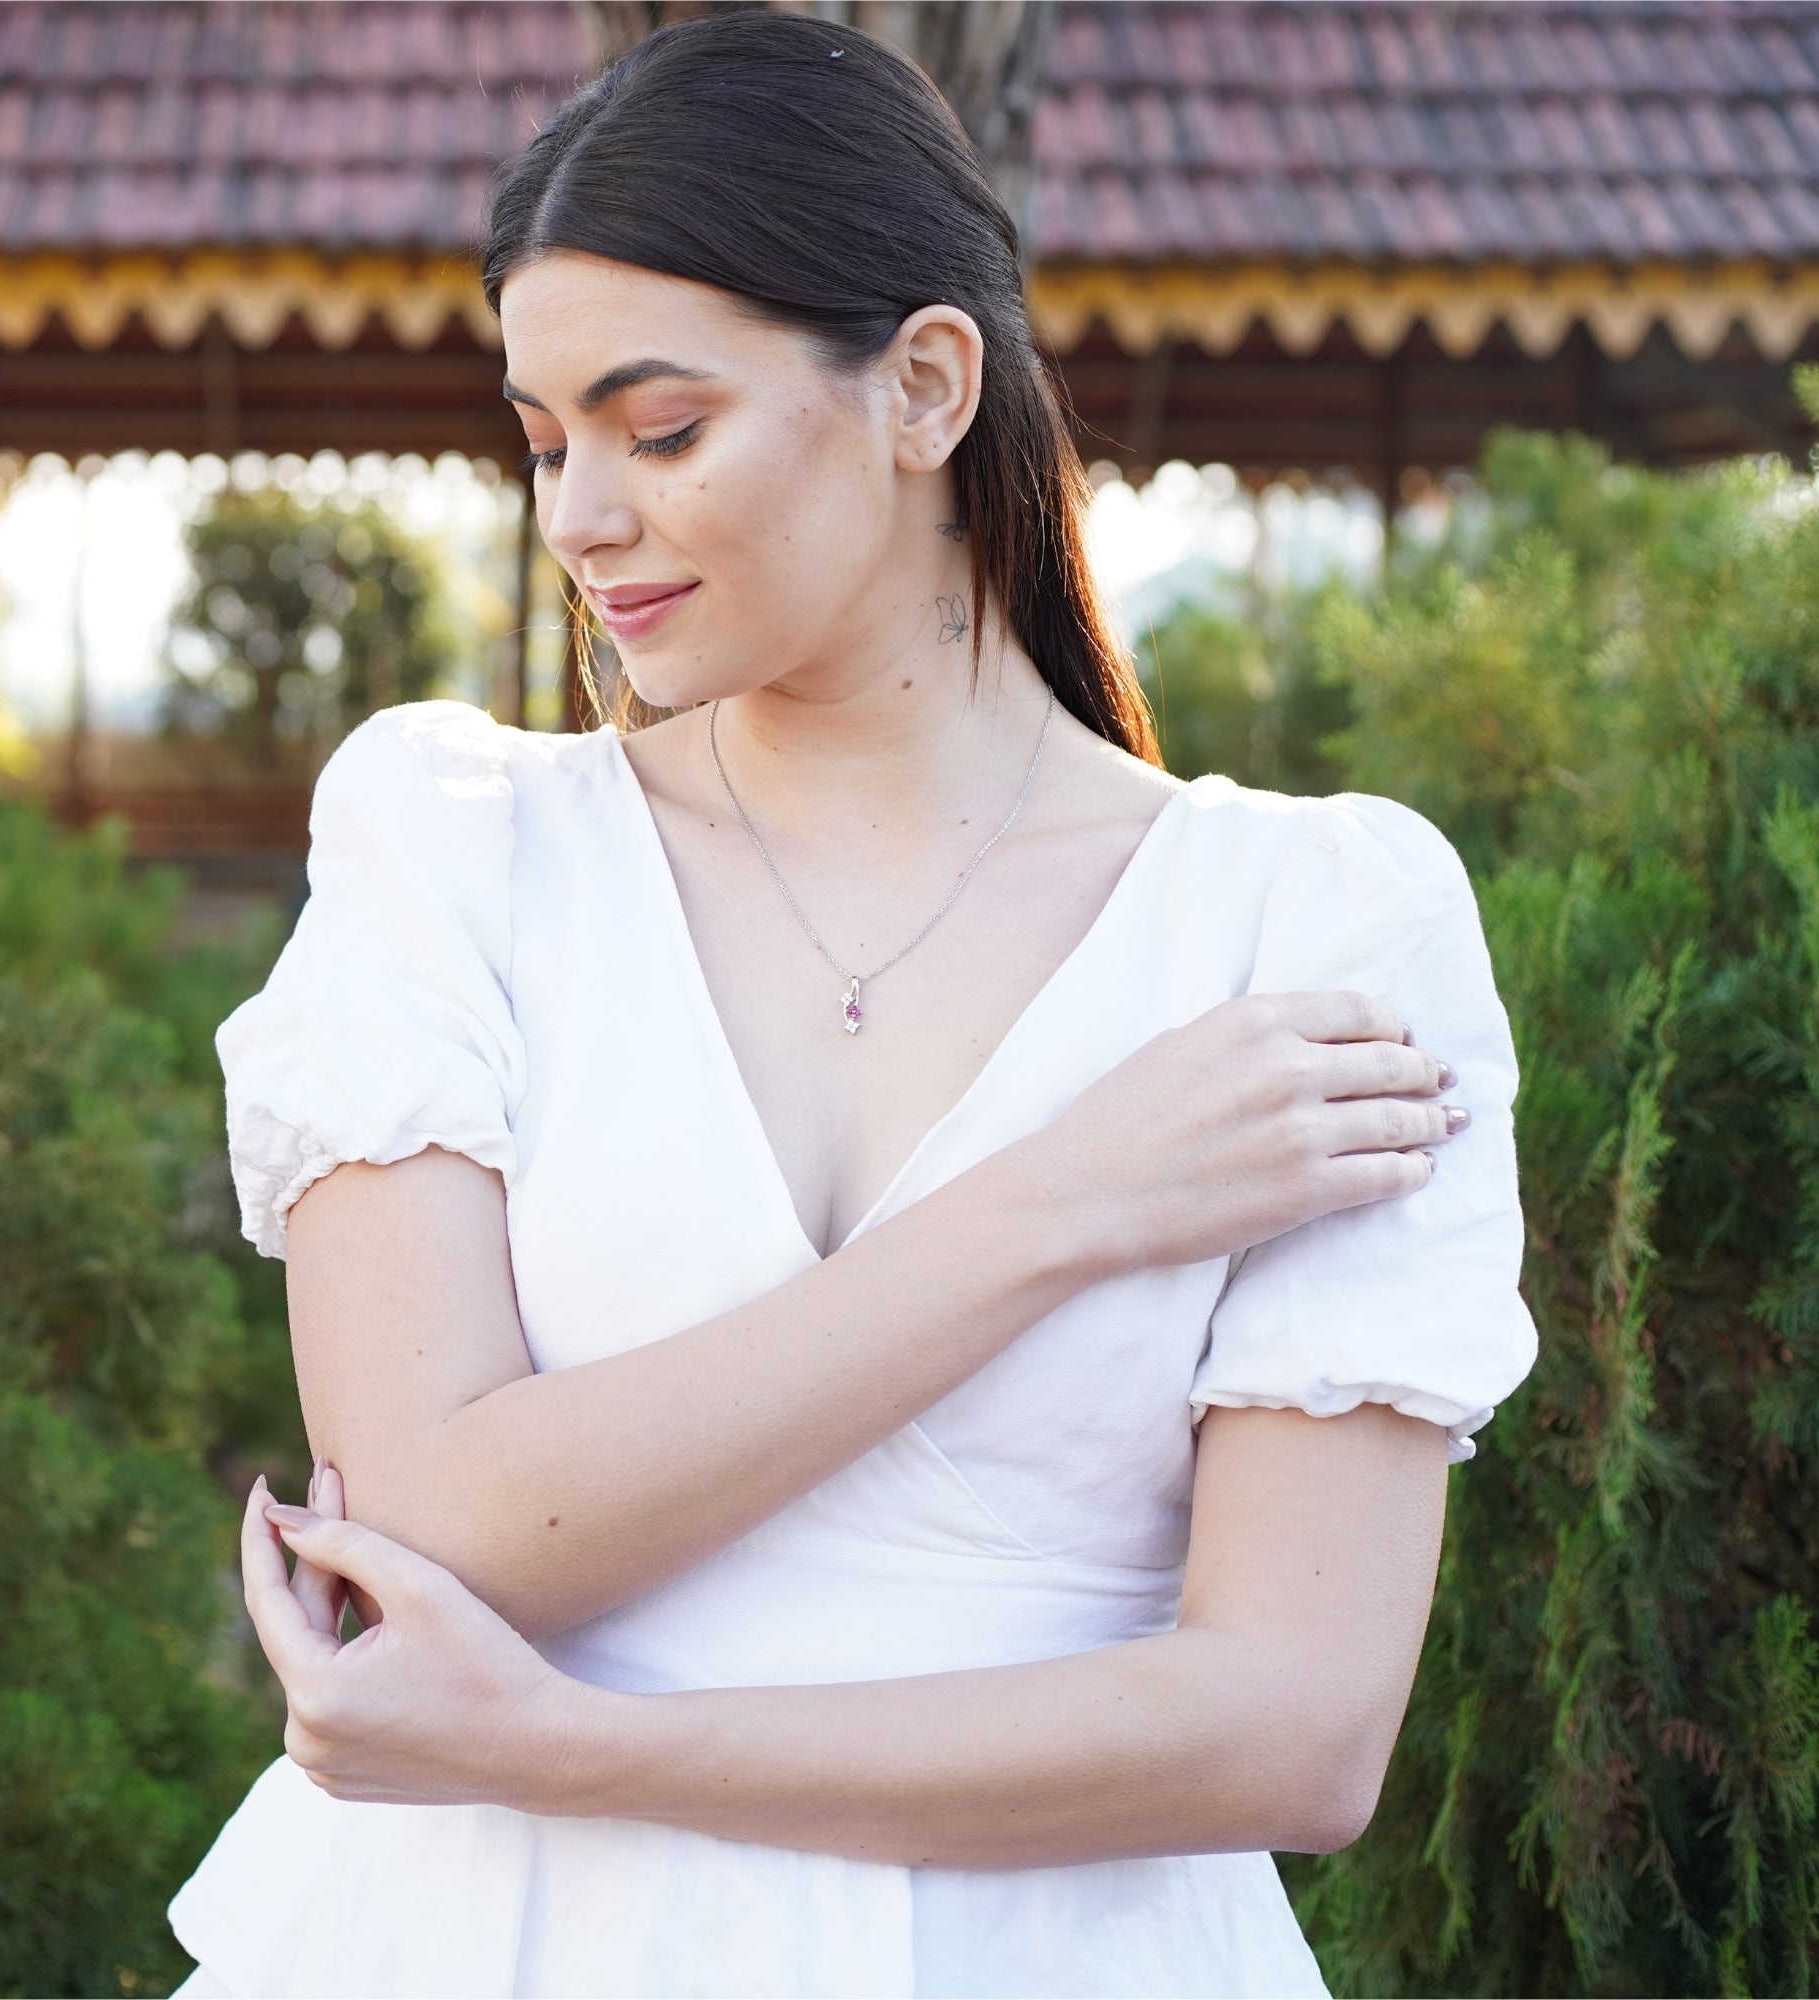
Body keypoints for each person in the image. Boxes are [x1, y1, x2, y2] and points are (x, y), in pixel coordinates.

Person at [166, 14, 1536, 1997]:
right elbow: (452, 1519)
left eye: (661, 429)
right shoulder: (456, 846)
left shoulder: (1311, 922)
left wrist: (585, 1751)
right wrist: (1060, 1203)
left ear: (920, 386)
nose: (577, 522)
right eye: (544, 441)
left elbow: (1295, 1729)